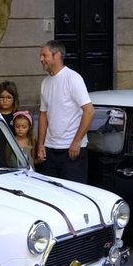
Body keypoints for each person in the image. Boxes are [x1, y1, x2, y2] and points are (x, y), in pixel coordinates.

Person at [35, 40, 95, 182]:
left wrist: (77, 141)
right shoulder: (45, 83)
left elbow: (89, 111)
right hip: (50, 150)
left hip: (71, 150)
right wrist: (41, 144)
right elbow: (43, 115)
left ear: (57, 55)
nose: (41, 59)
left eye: (44, 55)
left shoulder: (73, 79)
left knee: (73, 194)